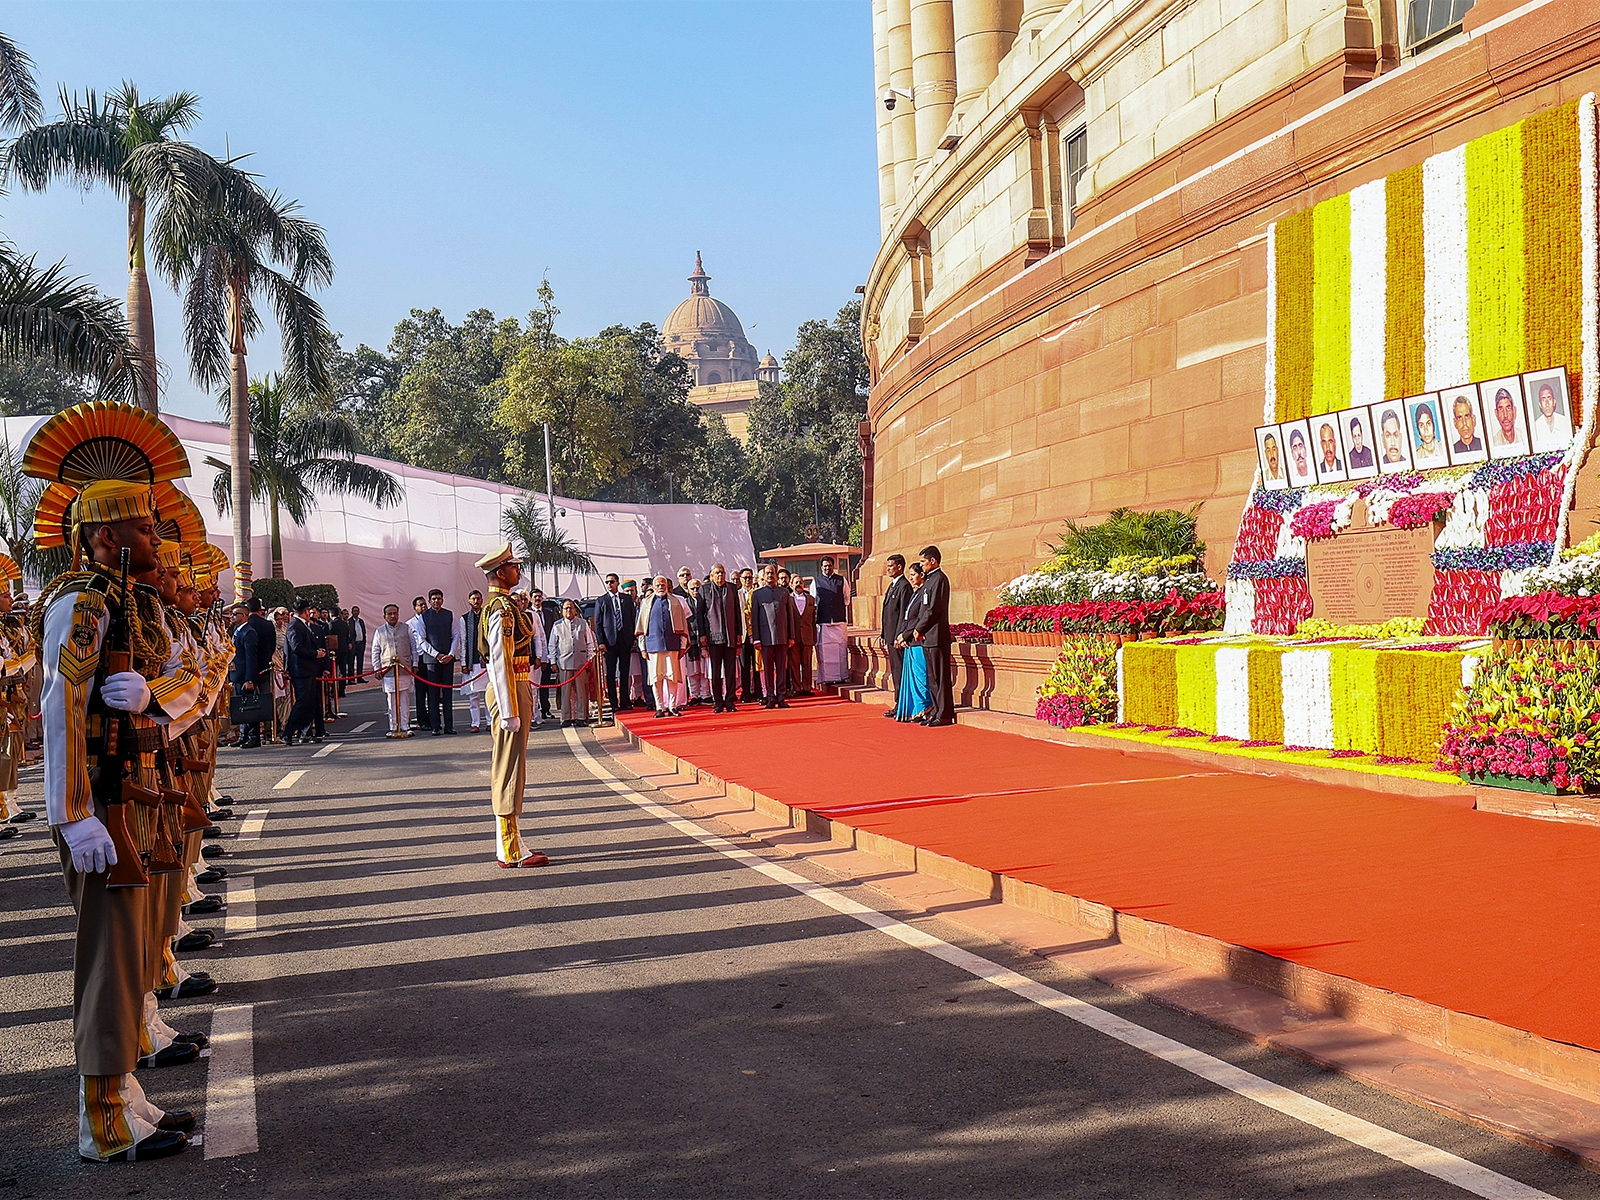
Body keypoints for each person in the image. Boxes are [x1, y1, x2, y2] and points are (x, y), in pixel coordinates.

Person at [27, 401, 207, 1163]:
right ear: (105, 536)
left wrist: (156, 699)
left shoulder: (123, 599)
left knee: (129, 953)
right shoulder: (83, 600)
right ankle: (101, 1120)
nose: (156, 539)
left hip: (131, 796)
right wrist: (72, 814)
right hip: (99, 803)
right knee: (107, 962)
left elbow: (185, 679)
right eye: (142, 528)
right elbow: (60, 709)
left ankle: (125, 1097)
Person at [476, 543, 549, 868]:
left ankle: (512, 841)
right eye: (513, 566)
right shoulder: (502, 608)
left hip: (516, 685)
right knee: (509, 768)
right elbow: (499, 659)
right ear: (500, 572)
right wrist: (508, 710)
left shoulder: (503, 604)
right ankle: (509, 848)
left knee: (512, 767)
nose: (518, 570)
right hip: (510, 688)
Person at [900, 545, 954, 726]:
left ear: (933, 561)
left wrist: (919, 628)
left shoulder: (939, 579)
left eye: (923, 561)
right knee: (932, 677)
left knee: (940, 676)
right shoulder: (929, 580)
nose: (921, 565)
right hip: (928, 636)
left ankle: (944, 714)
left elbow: (933, 609)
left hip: (936, 634)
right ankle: (936, 711)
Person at [636, 575, 690, 718]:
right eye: (658, 585)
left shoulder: (675, 602)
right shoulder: (646, 603)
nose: (661, 587)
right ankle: (659, 707)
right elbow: (641, 627)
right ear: (653, 587)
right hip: (653, 646)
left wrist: (682, 646)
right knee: (656, 679)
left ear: (667, 586)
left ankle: (672, 706)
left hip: (672, 645)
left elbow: (683, 626)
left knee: (673, 677)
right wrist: (642, 648)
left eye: (663, 585)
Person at [283, 598, 328, 745]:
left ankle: (305, 732)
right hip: (301, 670)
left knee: (310, 701)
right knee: (302, 701)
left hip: (309, 669)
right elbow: (296, 647)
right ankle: (288, 733)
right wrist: (315, 654)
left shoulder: (303, 625)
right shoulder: (295, 626)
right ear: (306, 611)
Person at [749, 565, 794, 709]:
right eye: (767, 573)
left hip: (782, 636)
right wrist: (756, 638)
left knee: (781, 668)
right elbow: (754, 618)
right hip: (765, 638)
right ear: (763, 576)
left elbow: (790, 616)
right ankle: (770, 697)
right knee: (768, 669)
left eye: (772, 573)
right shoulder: (757, 594)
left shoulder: (784, 592)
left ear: (776, 575)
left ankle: (781, 697)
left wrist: (791, 636)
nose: (770, 575)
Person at [416, 588, 460, 736]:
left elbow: (455, 636)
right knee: (433, 694)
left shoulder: (449, 615)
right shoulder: (424, 617)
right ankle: (435, 726)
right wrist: (436, 655)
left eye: (439, 598)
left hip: (448, 660)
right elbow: (421, 639)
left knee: (447, 693)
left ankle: (449, 725)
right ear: (429, 601)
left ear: (442, 600)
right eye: (434, 599)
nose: (437, 601)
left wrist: (450, 654)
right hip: (432, 661)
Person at [593, 573, 637, 715]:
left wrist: (632, 638)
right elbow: (598, 624)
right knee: (610, 673)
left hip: (625, 640)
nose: (609, 584)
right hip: (609, 642)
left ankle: (625, 701)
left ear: (617, 583)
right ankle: (613, 702)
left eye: (612, 581)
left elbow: (632, 619)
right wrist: (601, 642)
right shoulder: (602, 600)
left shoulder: (626, 599)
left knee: (625, 671)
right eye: (607, 582)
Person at [548, 598, 597, 727]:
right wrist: (553, 662)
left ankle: (581, 717)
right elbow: (552, 645)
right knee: (565, 692)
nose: (569, 610)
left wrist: (589, 659)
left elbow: (590, 643)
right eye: (566, 608)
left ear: (575, 610)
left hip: (581, 663)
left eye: (571, 607)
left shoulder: (583, 623)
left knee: (581, 691)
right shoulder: (557, 625)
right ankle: (566, 718)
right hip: (564, 663)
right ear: (562, 611)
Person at [701, 564, 742, 714]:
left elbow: (737, 612)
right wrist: (702, 635)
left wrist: (739, 634)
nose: (720, 575)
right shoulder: (704, 589)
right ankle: (718, 702)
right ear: (712, 575)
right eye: (717, 573)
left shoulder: (731, 588)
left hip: (730, 635)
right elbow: (700, 614)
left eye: (723, 572)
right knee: (716, 672)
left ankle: (730, 700)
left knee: (730, 671)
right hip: (713, 637)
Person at [893, 563, 932, 721]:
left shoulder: (924, 592)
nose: (911, 578)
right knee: (913, 678)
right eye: (910, 575)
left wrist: (906, 635)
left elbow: (919, 619)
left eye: (913, 574)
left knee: (921, 676)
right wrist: (901, 635)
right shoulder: (915, 593)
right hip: (909, 641)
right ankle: (917, 709)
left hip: (917, 641)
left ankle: (925, 708)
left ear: (921, 575)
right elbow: (907, 617)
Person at [371, 603, 416, 737]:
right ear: (384, 616)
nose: (392, 616)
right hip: (388, 671)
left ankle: (405, 726)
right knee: (391, 701)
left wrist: (415, 664)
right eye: (389, 614)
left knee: (405, 699)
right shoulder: (379, 631)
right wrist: (377, 668)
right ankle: (393, 727)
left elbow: (413, 647)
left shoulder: (406, 628)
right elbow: (375, 651)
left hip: (404, 669)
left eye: (395, 613)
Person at [879, 554, 912, 715]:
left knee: (899, 671)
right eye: (888, 566)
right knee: (895, 671)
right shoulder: (893, 585)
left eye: (891, 566)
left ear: (899, 567)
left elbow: (904, 615)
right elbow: (888, 612)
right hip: (891, 636)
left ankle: (902, 704)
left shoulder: (904, 586)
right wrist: (884, 635)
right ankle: (899, 702)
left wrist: (900, 635)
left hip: (898, 638)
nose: (888, 569)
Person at [813, 555, 851, 686]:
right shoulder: (816, 582)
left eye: (829, 565)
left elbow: (846, 599)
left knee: (841, 649)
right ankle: (827, 678)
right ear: (821, 567)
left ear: (833, 566)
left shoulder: (841, 580)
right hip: (824, 622)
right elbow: (814, 601)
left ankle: (841, 676)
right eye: (825, 566)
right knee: (825, 651)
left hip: (839, 620)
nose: (827, 568)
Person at [228, 605, 261, 748]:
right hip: (237, 675)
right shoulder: (237, 631)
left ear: (244, 615)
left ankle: (254, 737)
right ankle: (243, 735)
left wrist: (250, 679)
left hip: (245, 676)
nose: (232, 616)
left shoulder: (249, 632)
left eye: (235, 614)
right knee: (242, 707)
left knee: (249, 706)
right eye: (231, 613)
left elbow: (251, 658)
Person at [460, 590, 490, 732]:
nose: (476, 601)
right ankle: (475, 723)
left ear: (482, 600)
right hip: (472, 662)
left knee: (488, 694)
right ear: (469, 601)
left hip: (487, 661)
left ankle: (490, 721)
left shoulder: (488, 616)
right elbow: (463, 642)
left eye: (478, 598)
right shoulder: (464, 619)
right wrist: (463, 663)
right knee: (473, 695)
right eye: (473, 599)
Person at [620, 580, 651, 711]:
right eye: (627, 591)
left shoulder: (641, 603)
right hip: (625, 643)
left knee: (639, 673)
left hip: (640, 643)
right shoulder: (621, 604)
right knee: (627, 673)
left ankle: (639, 697)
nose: (630, 593)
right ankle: (626, 697)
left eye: (632, 591)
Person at [530, 587, 558, 724]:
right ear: (531, 599)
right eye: (535, 596)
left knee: (545, 683)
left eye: (539, 596)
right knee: (533, 685)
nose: (537, 599)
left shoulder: (549, 613)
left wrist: (549, 656)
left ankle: (546, 709)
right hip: (534, 655)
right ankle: (534, 711)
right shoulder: (528, 614)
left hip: (547, 653)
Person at [682, 576, 712, 705]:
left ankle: (705, 694)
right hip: (691, 639)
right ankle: (694, 695)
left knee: (704, 669)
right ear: (688, 590)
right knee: (692, 671)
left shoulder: (706, 601)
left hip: (704, 638)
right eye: (692, 588)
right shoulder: (685, 602)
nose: (695, 590)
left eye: (698, 588)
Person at [789, 576, 817, 696]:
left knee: (807, 663)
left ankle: (807, 687)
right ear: (791, 585)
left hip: (807, 636)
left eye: (800, 582)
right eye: (796, 582)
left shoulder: (810, 599)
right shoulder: (788, 599)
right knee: (794, 664)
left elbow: (813, 620)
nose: (798, 585)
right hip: (793, 637)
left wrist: (814, 637)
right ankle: (796, 688)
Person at [405, 597, 430, 731]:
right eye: (420, 605)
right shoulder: (409, 624)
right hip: (419, 659)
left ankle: (434, 718)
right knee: (420, 692)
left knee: (433, 691)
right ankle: (422, 720)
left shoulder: (431, 619)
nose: (424, 607)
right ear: (415, 608)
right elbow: (410, 645)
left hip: (431, 658)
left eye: (425, 604)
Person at [737, 567, 761, 704]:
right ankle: (746, 693)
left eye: (750, 577)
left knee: (757, 665)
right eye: (745, 578)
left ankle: (758, 692)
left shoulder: (757, 593)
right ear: (740, 579)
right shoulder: (736, 594)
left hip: (756, 634)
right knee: (744, 666)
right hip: (743, 635)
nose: (747, 580)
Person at [329, 608, 352, 698]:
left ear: (331, 615)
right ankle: (342, 690)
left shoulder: (331, 624)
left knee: (333, 671)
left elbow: (329, 636)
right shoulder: (344, 624)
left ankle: (334, 690)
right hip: (344, 649)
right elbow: (347, 636)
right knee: (343, 670)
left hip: (334, 651)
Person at [349, 605, 367, 683]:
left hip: (361, 644)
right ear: (352, 612)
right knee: (351, 661)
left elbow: (364, 632)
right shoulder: (350, 621)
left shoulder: (361, 621)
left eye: (357, 611)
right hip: (353, 644)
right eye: (354, 611)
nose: (356, 612)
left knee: (360, 661)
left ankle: (360, 678)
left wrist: (364, 642)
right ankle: (351, 679)